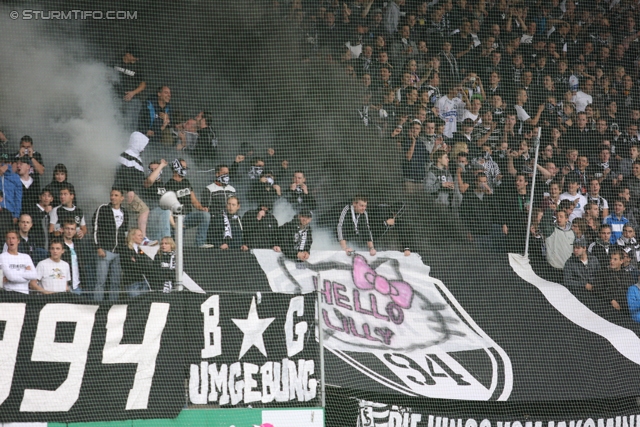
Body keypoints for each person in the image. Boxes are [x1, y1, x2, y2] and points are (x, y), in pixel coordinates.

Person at [113, 131, 156, 245]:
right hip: (126, 192)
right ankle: (143, 238)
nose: (143, 148)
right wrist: (130, 190)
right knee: (143, 210)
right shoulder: (127, 155)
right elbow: (123, 174)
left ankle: (134, 240)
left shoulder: (134, 157)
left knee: (134, 214)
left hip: (130, 192)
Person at [164, 159, 212, 248]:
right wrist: (174, 222)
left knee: (205, 215)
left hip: (188, 216)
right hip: (177, 218)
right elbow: (168, 206)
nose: (185, 170)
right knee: (178, 246)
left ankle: (200, 243)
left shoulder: (186, 182)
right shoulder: (168, 185)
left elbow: (193, 200)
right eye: (184, 167)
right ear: (176, 168)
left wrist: (201, 208)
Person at [92, 188, 130, 301]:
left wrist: (124, 251)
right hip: (105, 250)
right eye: (112, 195)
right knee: (101, 282)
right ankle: (97, 305)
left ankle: (112, 306)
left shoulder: (125, 213)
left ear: (122, 198)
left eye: (116, 195)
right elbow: (95, 229)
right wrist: (98, 247)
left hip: (118, 253)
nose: (113, 197)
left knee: (115, 282)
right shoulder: (103, 209)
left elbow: (124, 232)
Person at [113, 45, 146, 132]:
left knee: (128, 122)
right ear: (128, 54)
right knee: (114, 119)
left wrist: (132, 93)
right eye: (134, 57)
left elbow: (143, 84)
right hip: (115, 97)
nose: (136, 59)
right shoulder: (115, 61)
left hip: (131, 99)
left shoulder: (138, 67)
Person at [590, 247, 634, 312]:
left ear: (621, 261)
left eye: (615, 259)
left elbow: (630, 293)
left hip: (623, 309)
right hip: (605, 307)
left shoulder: (627, 276)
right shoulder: (603, 273)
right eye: (611, 259)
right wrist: (611, 300)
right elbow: (597, 289)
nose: (611, 261)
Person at [0, 230, 37, 294]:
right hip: (9, 294)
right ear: (6, 241)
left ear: (18, 241)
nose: (11, 241)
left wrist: (14, 273)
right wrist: (26, 273)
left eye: (13, 238)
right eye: (9, 238)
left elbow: (34, 275)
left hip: (25, 293)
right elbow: (11, 277)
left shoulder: (26, 257)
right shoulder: (2, 257)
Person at [141, 159, 170, 242]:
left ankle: (166, 242)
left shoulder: (163, 185)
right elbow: (150, 181)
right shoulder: (145, 181)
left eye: (156, 169)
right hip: (150, 211)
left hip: (162, 214)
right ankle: (165, 241)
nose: (155, 171)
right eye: (152, 170)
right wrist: (161, 165)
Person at [120, 228, 155, 297]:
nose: (141, 237)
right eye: (139, 235)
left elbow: (146, 264)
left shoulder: (142, 249)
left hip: (143, 281)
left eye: (142, 235)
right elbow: (127, 265)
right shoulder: (125, 249)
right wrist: (139, 263)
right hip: (131, 281)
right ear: (132, 236)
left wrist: (136, 261)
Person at [60, 219, 87, 295]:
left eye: (72, 229)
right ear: (62, 229)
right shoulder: (59, 245)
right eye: (67, 228)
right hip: (64, 286)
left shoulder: (78, 245)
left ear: (75, 231)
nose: (69, 231)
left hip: (77, 286)